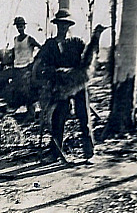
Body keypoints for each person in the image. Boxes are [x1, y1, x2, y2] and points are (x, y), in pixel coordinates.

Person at [33, 9, 94, 161]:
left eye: (66, 24)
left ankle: (89, 151)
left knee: (84, 116)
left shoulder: (77, 43)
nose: (63, 27)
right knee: (58, 118)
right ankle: (55, 153)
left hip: (77, 84)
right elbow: (39, 63)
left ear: (69, 26)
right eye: (60, 24)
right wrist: (44, 74)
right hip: (60, 86)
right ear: (57, 25)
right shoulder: (50, 45)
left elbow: (87, 60)